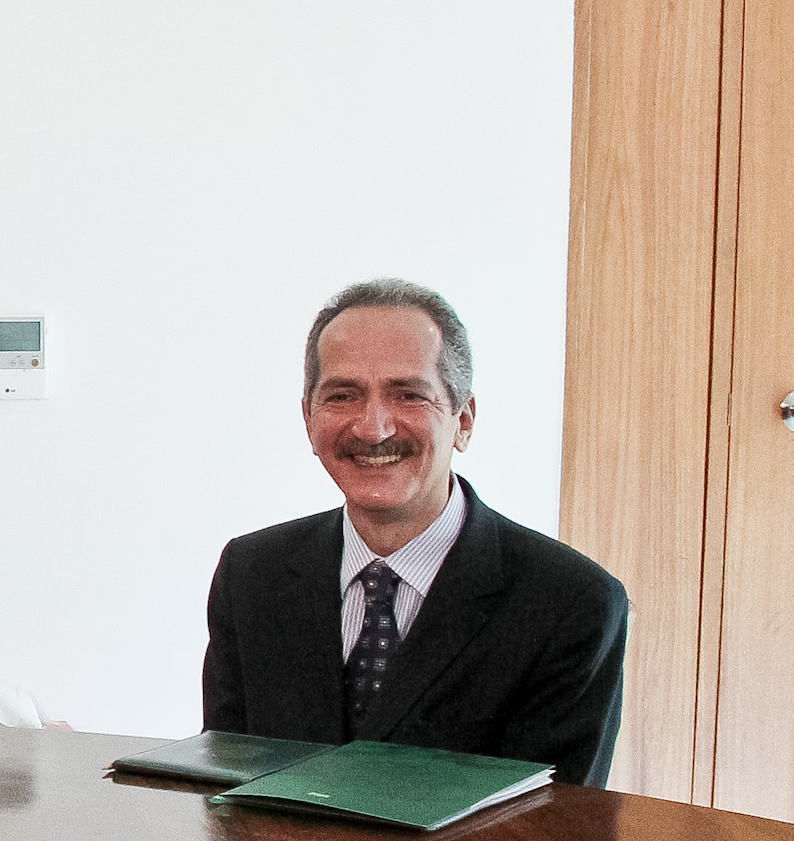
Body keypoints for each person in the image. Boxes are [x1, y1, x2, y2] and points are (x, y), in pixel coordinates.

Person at [201, 277, 628, 785]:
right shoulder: (251, 575)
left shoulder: (570, 604)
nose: (373, 427)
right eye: (343, 395)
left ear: (463, 420)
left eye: (408, 395)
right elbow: (224, 793)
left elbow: (552, 836)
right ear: (308, 418)